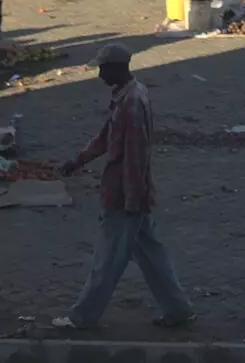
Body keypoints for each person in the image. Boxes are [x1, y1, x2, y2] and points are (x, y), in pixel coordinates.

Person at [54, 44, 192, 332]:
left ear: (118, 68)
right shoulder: (126, 95)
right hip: (131, 192)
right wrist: (78, 161)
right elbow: (106, 136)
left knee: (108, 259)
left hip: (125, 193)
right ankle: (178, 309)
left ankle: (83, 317)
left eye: (103, 69)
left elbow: (136, 155)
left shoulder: (132, 103)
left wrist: (132, 199)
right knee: (152, 254)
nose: (100, 75)